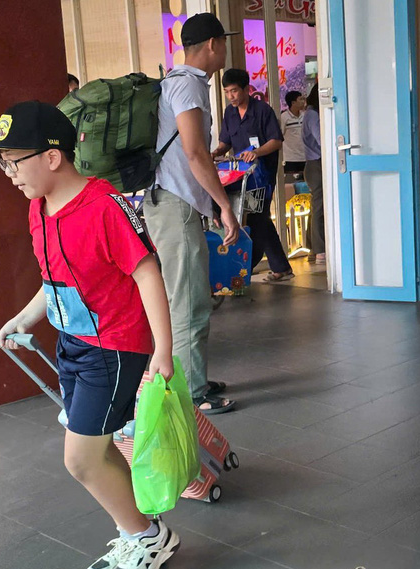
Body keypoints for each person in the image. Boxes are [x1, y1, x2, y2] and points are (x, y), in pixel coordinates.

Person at [0, 101, 180, 569]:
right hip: (74, 344)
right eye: (1, 162)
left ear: (51, 157)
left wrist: (163, 351)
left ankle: (149, 536)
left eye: (13, 161)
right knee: (98, 450)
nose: (8, 174)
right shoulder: (38, 209)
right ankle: (135, 529)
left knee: (81, 459)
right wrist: (22, 320)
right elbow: (54, 282)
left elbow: (147, 274)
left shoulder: (106, 207)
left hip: (113, 348)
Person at [142, 12, 240, 414]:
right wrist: (223, 204)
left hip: (171, 204)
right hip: (174, 207)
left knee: (185, 298)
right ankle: (192, 395)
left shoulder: (175, 82)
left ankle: (193, 378)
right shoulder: (188, 86)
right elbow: (195, 152)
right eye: (224, 43)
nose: (225, 50)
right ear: (213, 45)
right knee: (188, 304)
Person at [213, 68, 293, 283]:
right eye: (227, 92)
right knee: (256, 217)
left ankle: (251, 266)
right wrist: (216, 152)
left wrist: (255, 152)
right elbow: (225, 142)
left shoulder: (262, 111)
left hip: (260, 175)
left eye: (235, 91)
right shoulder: (229, 113)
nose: (231, 96)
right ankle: (279, 267)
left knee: (258, 215)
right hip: (238, 176)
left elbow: (276, 141)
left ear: (247, 89)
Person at [302, 90, 325, 265]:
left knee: (316, 206)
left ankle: (313, 248)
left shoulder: (309, 114)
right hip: (316, 164)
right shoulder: (313, 116)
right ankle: (320, 250)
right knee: (319, 207)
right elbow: (322, 140)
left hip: (312, 165)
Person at [280, 91, 307, 176]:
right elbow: (280, 136)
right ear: (293, 102)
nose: (303, 101)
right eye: (300, 99)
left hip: (305, 157)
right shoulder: (284, 117)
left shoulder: (305, 115)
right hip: (290, 159)